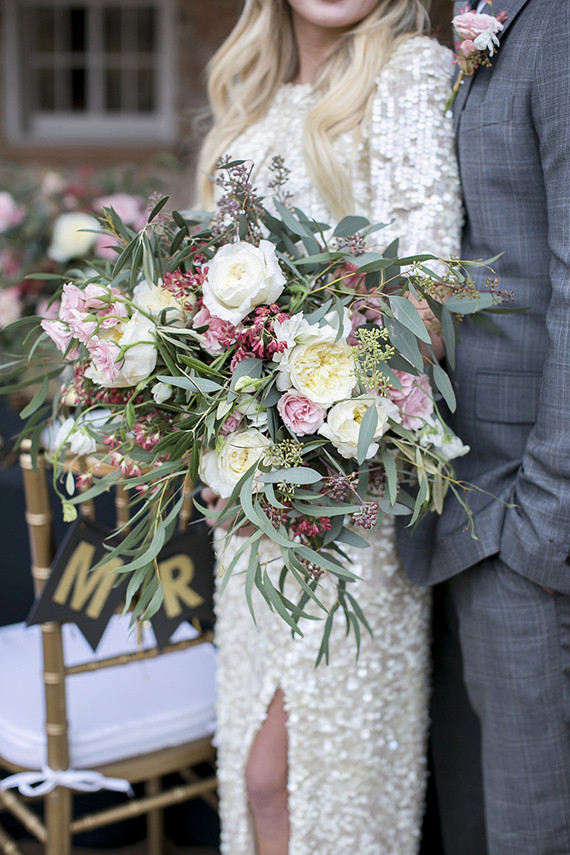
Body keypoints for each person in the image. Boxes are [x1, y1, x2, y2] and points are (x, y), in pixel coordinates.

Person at [197, 1, 462, 852]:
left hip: (347, 492)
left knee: (308, 779)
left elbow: (428, 285)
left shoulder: (409, 72)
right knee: (254, 779)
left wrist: (313, 412)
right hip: (248, 500)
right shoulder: (253, 94)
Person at [398, 2, 570, 854]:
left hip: (524, 518)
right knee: (471, 824)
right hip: (457, 507)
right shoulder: (478, 20)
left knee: (530, 827)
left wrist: (545, 520)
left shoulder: (559, 26)